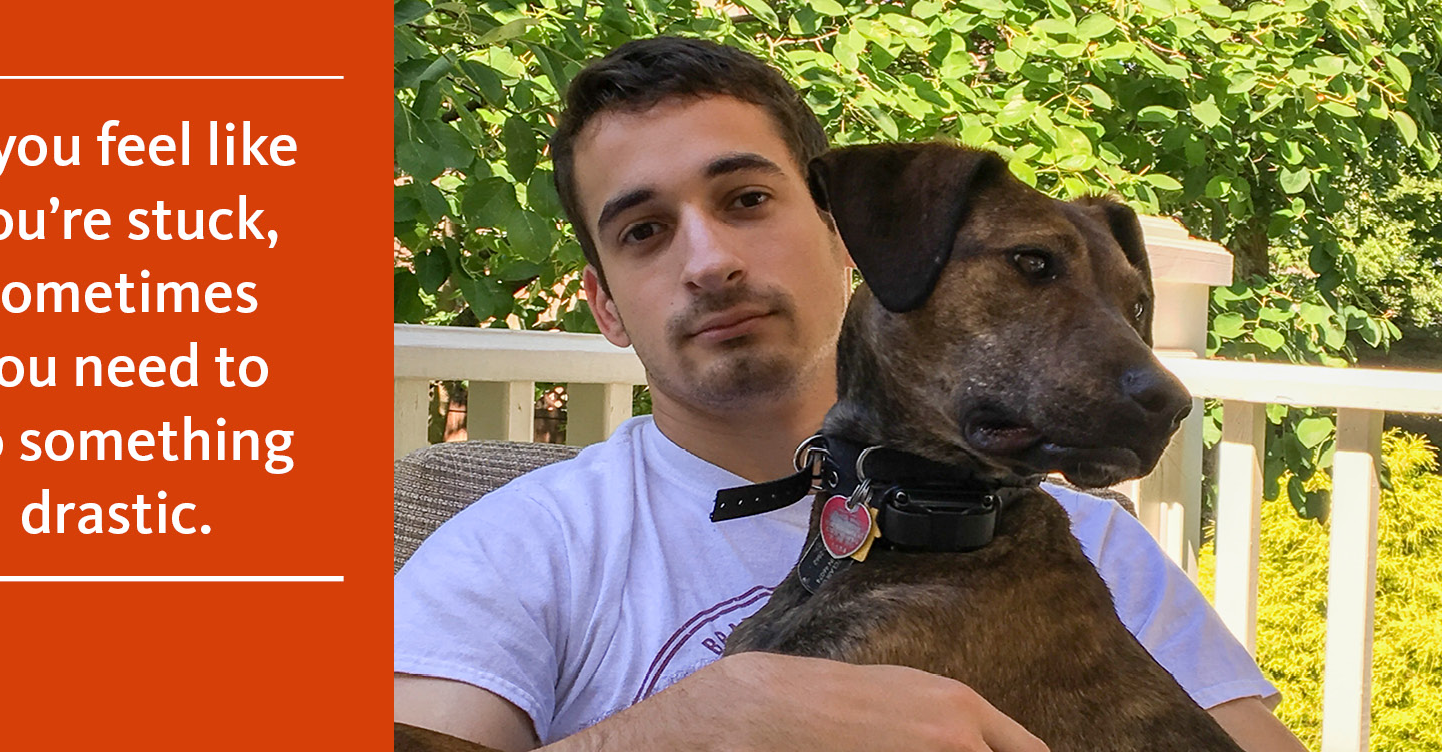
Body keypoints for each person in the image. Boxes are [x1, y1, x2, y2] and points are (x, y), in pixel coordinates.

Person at [395, 36, 1306, 752]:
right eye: (643, 231)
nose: (710, 262)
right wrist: (690, 730)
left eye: (747, 199)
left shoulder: (1097, 544)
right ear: (604, 304)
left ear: (847, 235)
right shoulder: (523, 544)